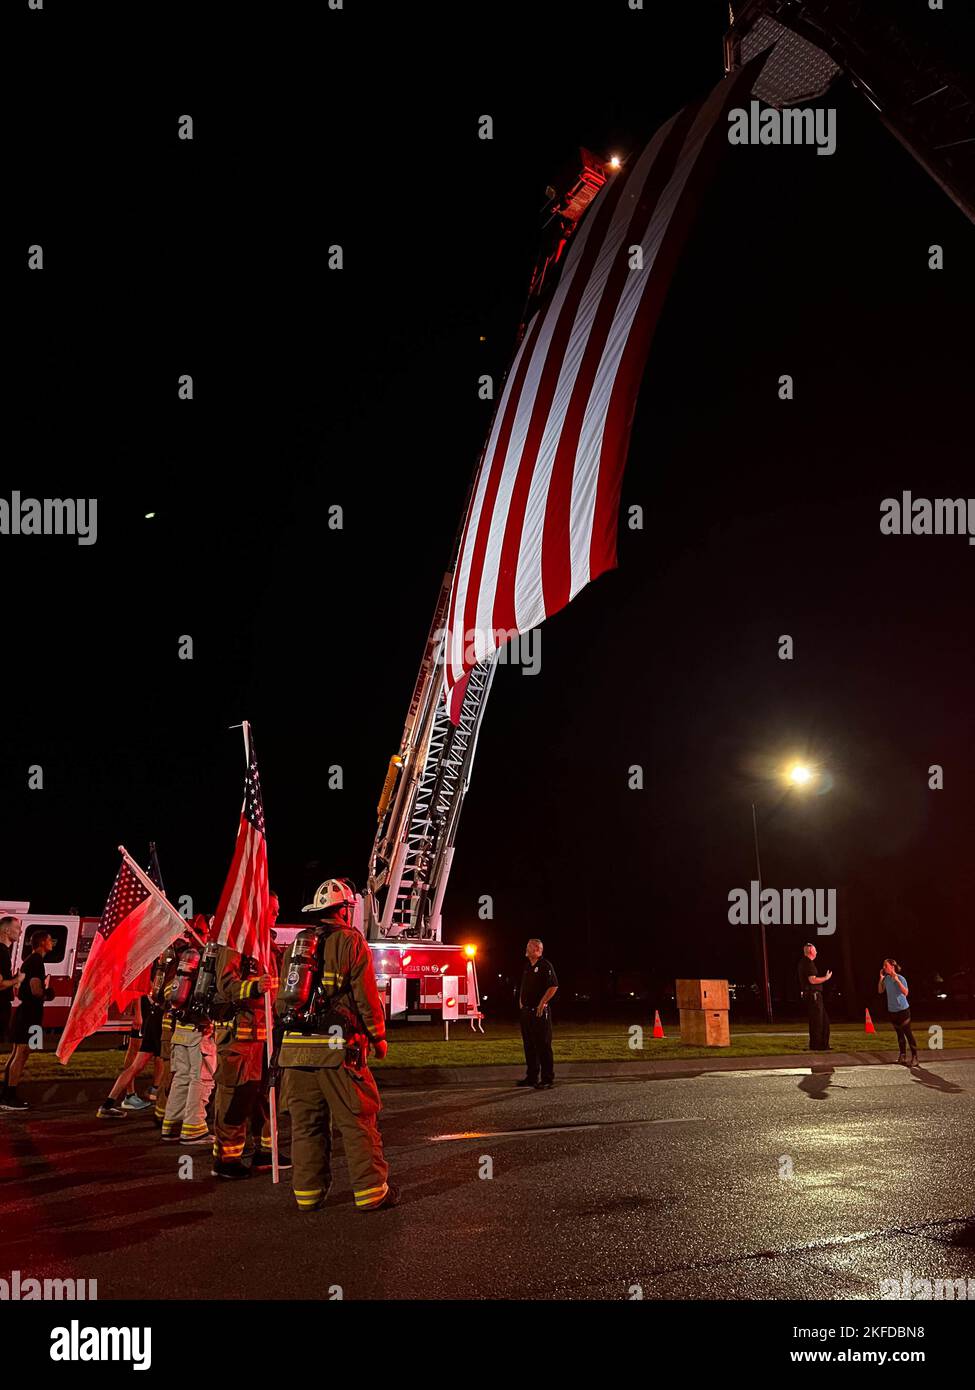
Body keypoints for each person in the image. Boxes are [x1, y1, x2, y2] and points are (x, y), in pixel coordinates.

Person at [275, 877, 398, 1212]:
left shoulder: (299, 943)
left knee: (306, 1126)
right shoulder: (350, 942)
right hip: (335, 1051)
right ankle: (372, 1192)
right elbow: (366, 997)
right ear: (344, 910)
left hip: (295, 1050)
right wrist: (378, 1036)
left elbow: (281, 1001)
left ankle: (308, 1195)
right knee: (357, 1120)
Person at [211, 942, 276, 1178]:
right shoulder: (234, 944)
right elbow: (225, 986)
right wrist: (255, 986)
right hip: (239, 1036)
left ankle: (264, 1151)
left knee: (260, 1096)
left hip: (262, 1034)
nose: (276, 911)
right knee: (234, 1097)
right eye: (272, 905)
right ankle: (226, 1160)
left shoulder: (264, 944)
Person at [1, 928, 56, 1109]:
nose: (52, 943)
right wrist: (48, 992)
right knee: (22, 1052)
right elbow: (36, 990)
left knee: (21, 1051)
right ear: (41, 943)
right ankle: (9, 1096)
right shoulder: (36, 962)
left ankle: (6, 1093)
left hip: (28, 1013)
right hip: (30, 1013)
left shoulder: (31, 961)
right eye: (49, 940)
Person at [517, 938, 558, 1090]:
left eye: (529, 947)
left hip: (539, 1012)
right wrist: (521, 1002)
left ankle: (547, 1078)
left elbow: (553, 986)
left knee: (543, 1045)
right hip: (526, 1012)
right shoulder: (527, 966)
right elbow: (523, 986)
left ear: (537, 950)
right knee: (529, 1045)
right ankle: (532, 1076)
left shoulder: (545, 965)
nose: (526, 949)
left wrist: (542, 1003)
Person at [0, 916, 26, 1109]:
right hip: (3, 1007)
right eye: (17, 928)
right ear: (6, 931)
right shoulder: (1, 952)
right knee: (22, 1050)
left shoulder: (5, 952)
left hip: (6, 1006)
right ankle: (8, 1097)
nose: (20, 931)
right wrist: (17, 980)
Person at [878, 958, 918, 1068]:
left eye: (886, 966)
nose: (884, 968)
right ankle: (903, 1055)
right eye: (884, 966)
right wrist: (881, 979)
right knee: (899, 1034)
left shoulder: (900, 978)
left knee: (908, 1033)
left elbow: (906, 992)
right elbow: (880, 991)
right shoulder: (886, 979)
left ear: (892, 967)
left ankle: (914, 1056)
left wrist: (897, 981)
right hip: (892, 1011)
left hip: (903, 1010)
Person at [798, 943, 832, 1051]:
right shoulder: (808, 963)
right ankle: (816, 1046)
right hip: (814, 996)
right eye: (815, 950)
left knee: (823, 1021)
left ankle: (823, 1045)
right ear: (811, 952)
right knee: (817, 1022)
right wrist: (826, 978)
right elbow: (812, 980)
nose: (817, 952)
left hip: (814, 996)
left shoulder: (805, 962)